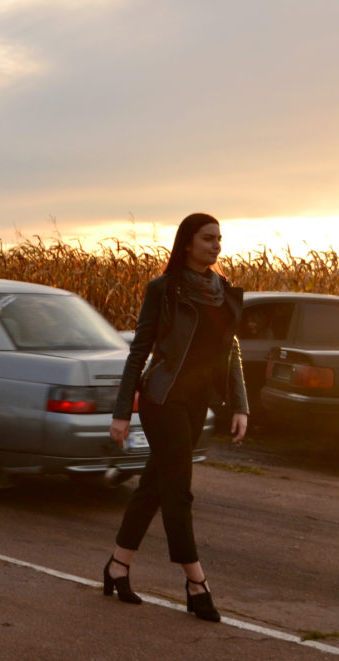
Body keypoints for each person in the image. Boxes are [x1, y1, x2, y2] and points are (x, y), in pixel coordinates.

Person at [104, 212, 248, 623]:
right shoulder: (164, 290)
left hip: (197, 403)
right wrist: (120, 412)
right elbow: (140, 350)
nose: (216, 245)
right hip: (161, 398)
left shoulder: (223, 292)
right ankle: (196, 583)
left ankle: (117, 566)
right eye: (207, 238)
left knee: (154, 486)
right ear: (187, 243)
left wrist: (240, 405)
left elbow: (230, 352)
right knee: (179, 491)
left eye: (219, 238)